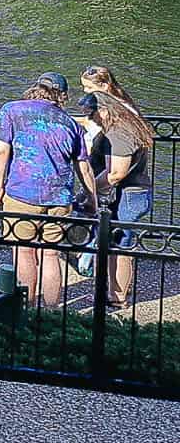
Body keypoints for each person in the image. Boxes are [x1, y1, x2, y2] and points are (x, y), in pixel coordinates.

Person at [0, 72, 100, 308]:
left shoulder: (13, 110)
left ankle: (26, 308)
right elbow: (84, 166)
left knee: (24, 252)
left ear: (36, 87)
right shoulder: (70, 123)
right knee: (51, 255)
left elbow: (1, 151)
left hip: (21, 193)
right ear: (62, 96)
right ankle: (51, 313)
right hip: (59, 198)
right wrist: (93, 199)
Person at [80, 66, 156, 306]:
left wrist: (90, 188)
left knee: (120, 244)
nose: (89, 119)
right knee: (113, 242)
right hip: (130, 192)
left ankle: (117, 297)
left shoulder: (120, 133)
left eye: (92, 114)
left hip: (129, 194)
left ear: (104, 109)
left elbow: (116, 173)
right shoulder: (123, 117)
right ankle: (112, 293)